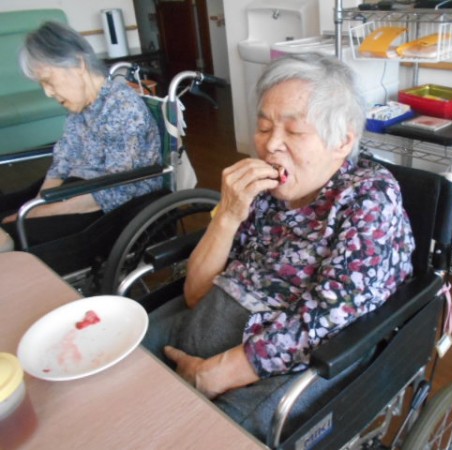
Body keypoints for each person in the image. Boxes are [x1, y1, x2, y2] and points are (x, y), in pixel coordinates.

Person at [142, 52, 416, 441]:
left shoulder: (370, 198)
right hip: (212, 317)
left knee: (207, 436)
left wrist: (218, 373)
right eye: (264, 127)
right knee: (125, 364)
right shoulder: (265, 190)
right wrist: (228, 215)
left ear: (342, 141)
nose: (270, 145)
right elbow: (195, 294)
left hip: (298, 354)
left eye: (294, 131)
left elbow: (330, 315)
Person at [0, 21, 162, 250]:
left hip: (112, 207)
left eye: (48, 81)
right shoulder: (81, 106)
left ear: (79, 64)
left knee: (10, 233)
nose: (47, 92)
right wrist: (35, 205)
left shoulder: (122, 107)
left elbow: (114, 192)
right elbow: (62, 164)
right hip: (80, 188)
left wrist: (35, 214)